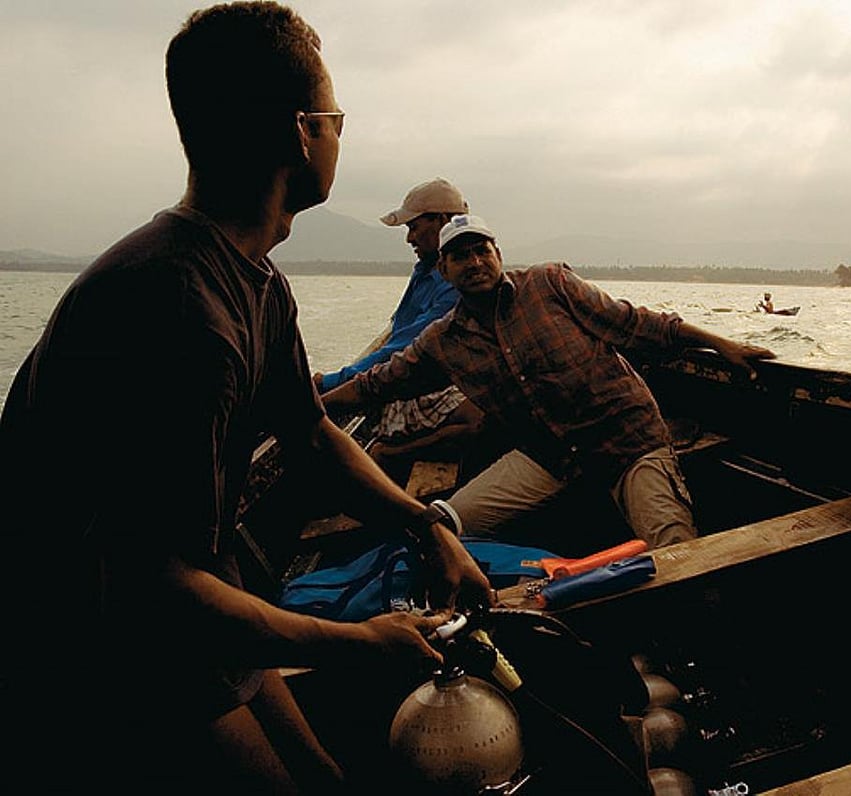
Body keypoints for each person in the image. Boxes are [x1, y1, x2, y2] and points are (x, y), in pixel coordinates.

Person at [0, 4, 491, 792]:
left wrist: (428, 527)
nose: (339, 134)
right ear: (302, 133)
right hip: (94, 640)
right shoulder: (176, 308)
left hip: (190, 600)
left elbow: (310, 431)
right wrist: (357, 640)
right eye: (335, 116)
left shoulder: (255, 279)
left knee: (324, 777)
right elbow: (153, 584)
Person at [321, 215, 777, 551]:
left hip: (627, 441)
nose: (475, 262)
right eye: (461, 256)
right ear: (444, 270)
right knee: (442, 528)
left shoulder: (550, 284)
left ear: (499, 255)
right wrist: (315, 403)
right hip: (549, 455)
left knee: (675, 548)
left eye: (483, 251)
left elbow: (639, 325)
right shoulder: (443, 341)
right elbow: (378, 383)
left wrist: (722, 345)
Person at [311, 178, 483, 467]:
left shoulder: (453, 280)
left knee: (483, 418)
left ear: (441, 222)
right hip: (405, 383)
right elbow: (401, 346)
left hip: (419, 382)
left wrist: (329, 381)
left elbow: (402, 345)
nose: (410, 238)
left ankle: (387, 454)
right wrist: (331, 382)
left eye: (414, 227)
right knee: (482, 419)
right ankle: (386, 454)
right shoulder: (428, 269)